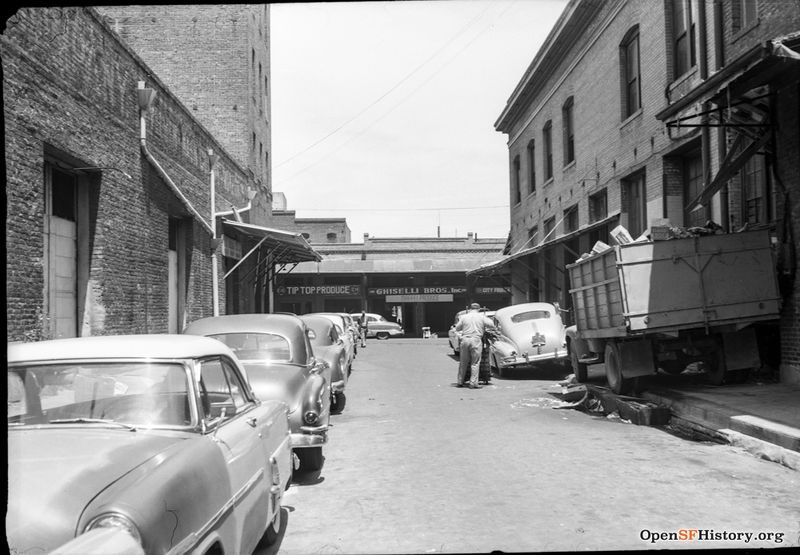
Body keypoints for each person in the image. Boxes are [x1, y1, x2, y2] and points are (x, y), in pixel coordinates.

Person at [455, 302, 495, 389]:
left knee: (463, 362)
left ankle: (460, 381)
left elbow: (457, 328)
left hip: (465, 340)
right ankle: (473, 383)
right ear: (479, 309)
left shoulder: (464, 317)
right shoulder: (481, 316)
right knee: (475, 362)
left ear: (470, 309)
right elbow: (492, 325)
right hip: (476, 340)